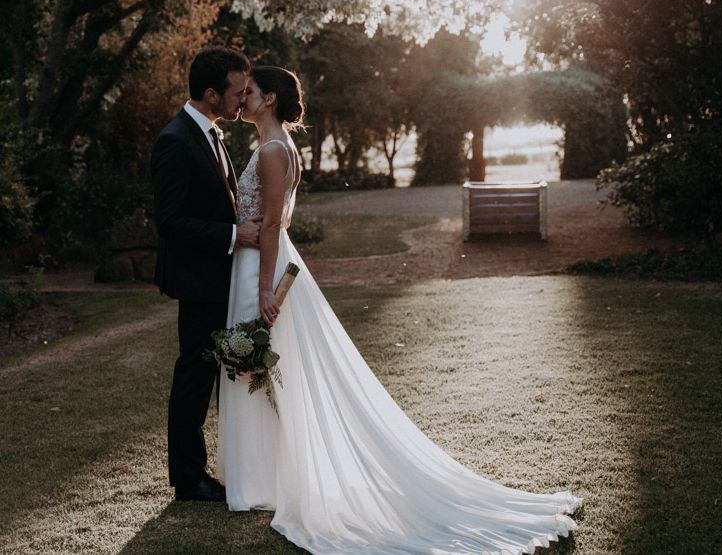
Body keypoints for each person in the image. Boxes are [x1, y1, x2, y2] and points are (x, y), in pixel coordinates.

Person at [217, 65, 583, 553]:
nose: (242, 99)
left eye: (251, 93)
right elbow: (279, 218)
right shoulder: (280, 147)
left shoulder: (270, 151)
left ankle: (256, 482)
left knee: (261, 368)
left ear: (271, 100)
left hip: (261, 267)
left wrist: (265, 289)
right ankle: (262, 476)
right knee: (266, 370)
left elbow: (270, 226)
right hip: (264, 260)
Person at [151, 46, 261, 502]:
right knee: (194, 377)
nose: (243, 100)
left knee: (210, 374)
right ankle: (189, 478)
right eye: (237, 93)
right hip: (198, 280)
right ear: (212, 93)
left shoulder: (212, 134)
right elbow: (170, 221)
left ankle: (207, 469)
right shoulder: (175, 140)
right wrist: (234, 235)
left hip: (220, 277)